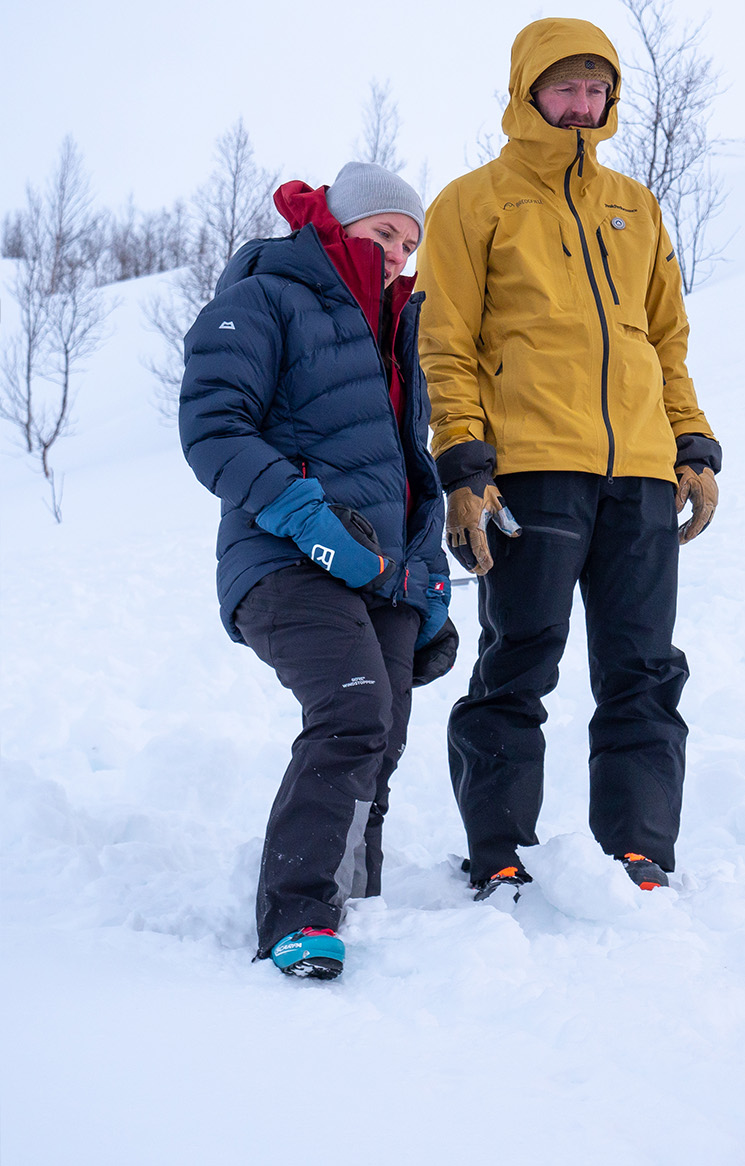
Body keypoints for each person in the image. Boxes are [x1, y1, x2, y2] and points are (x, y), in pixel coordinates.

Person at [416, 18, 720, 903]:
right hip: (530, 470)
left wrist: (691, 445)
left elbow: (664, 341)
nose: (582, 105)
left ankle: (638, 849)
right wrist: (464, 463)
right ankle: (500, 851)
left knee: (643, 668)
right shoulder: (473, 202)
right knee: (518, 660)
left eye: (596, 89)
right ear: (527, 91)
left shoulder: (636, 205)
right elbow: (445, 342)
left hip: (637, 475)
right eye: (566, 88)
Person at [180, 163, 455, 979]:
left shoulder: (395, 326)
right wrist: (303, 516)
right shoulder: (266, 296)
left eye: (409, 244)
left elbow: (410, 467)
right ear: (336, 224)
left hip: (380, 568)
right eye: (383, 235)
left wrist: (422, 575)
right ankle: (298, 916)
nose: (399, 255)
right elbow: (212, 424)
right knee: (351, 712)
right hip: (285, 556)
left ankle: (354, 891)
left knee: (385, 737)